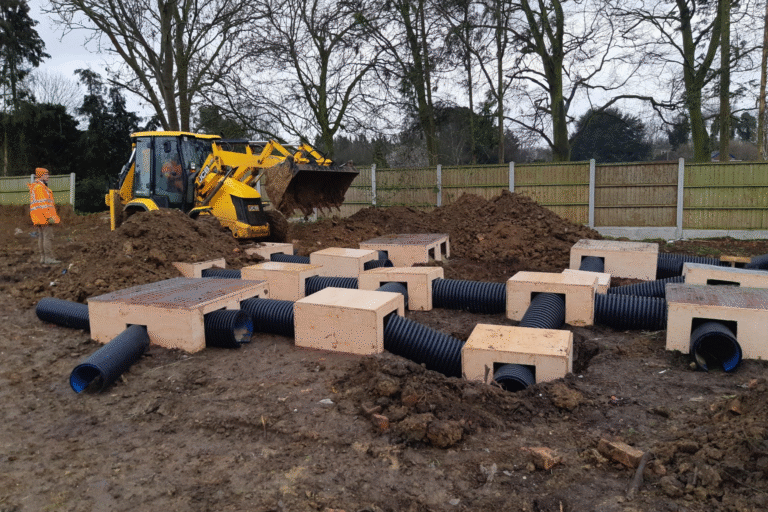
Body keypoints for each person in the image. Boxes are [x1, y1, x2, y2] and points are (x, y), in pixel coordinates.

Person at [27, 167, 61, 265]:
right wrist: (50, 217)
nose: (48, 176)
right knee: (47, 237)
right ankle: (48, 258)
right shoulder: (40, 188)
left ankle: (43, 257)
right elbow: (44, 204)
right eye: (46, 174)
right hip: (44, 217)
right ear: (41, 176)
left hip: (38, 217)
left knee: (41, 237)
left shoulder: (36, 187)